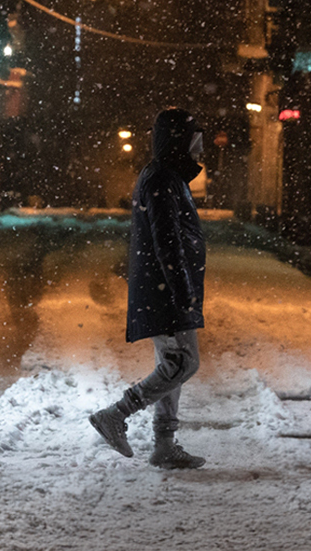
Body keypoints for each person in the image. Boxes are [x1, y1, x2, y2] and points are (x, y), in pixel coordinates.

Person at [90, 107, 207, 469]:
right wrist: (179, 284)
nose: (199, 152)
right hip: (166, 289)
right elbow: (166, 239)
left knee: (174, 363)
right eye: (194, 143)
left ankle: (165, 444)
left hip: (167, 286)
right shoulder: (162, 179)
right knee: (182, 363)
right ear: (176, 143)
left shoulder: (168, 177)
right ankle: (117, 413)